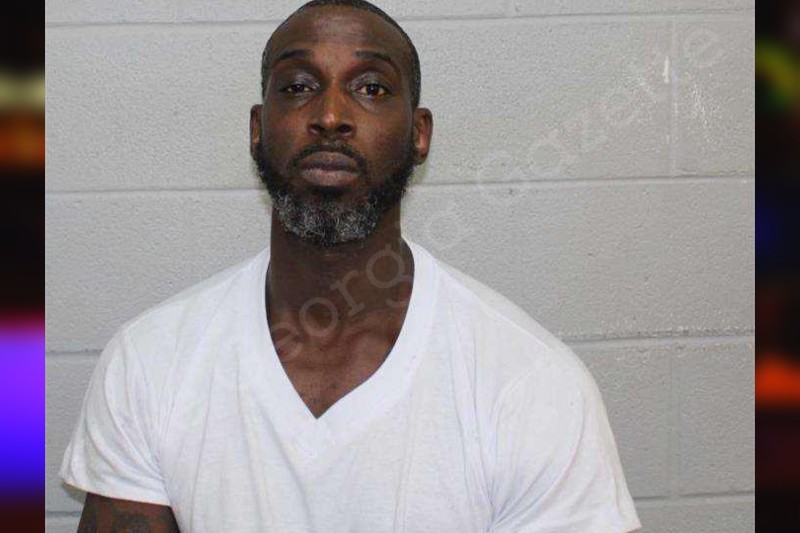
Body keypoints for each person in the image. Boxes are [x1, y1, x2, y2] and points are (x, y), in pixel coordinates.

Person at [60, 1, 642, 531]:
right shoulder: (151, 362)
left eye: (371, 87)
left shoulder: (529, 384)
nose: (331, 115)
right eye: (298, 86)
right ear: (258, 130)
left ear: (419, 134)